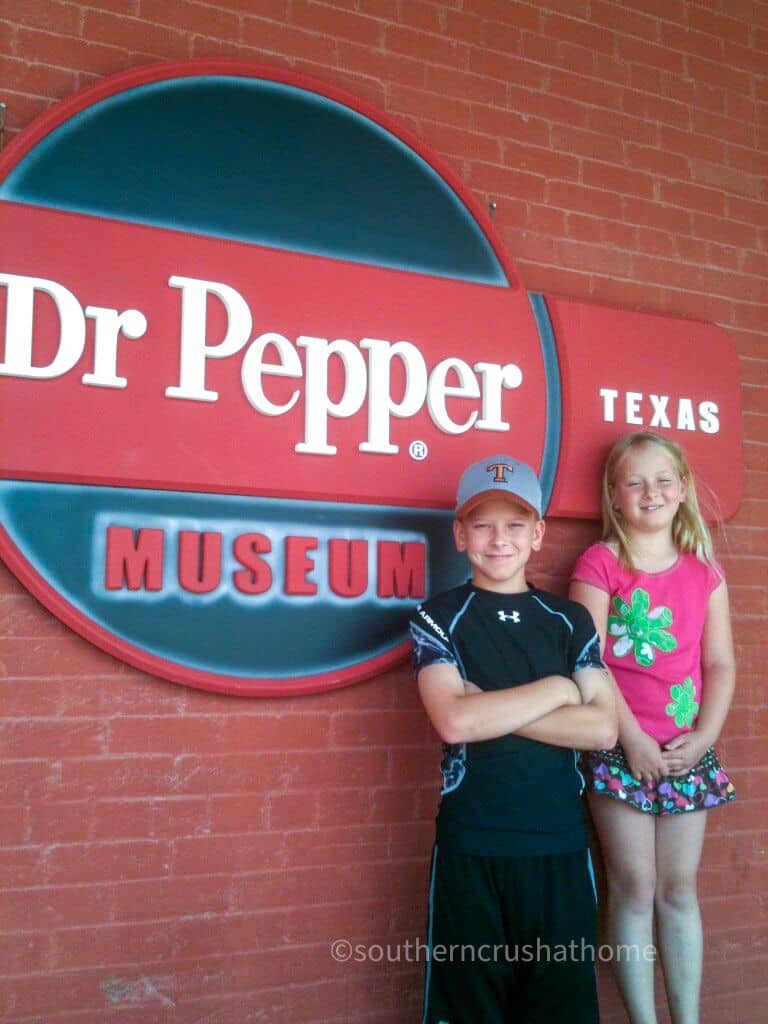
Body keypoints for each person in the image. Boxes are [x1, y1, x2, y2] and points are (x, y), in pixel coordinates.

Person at [410, 454, 618, 1024]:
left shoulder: (569, 620)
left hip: (558, 846)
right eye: (482, 524)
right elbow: (453, 722)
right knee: (471, 1007)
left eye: (515, 524)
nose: (499, 539)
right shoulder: (438, 617)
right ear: (459, 533)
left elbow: (602, 727)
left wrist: (488, 707)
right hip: (473, 844)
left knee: (560, 1008)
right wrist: (558, 689)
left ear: (538, 534)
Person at [569, 431, 737, 1024]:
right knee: (635, 885)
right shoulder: (601, 564)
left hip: (688, 750)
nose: (651, 492)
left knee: (678, 888)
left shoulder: (703, 572)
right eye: (634, 482)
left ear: (683, 488)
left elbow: (718, 663)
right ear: (614, 497)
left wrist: (706, 736)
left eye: (664, 480)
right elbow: (586, 658)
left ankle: (686, 1017)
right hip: (621, 748)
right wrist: (631, 738)